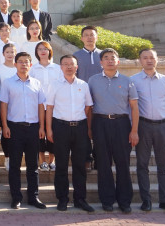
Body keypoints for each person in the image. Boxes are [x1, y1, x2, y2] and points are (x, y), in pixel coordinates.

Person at [132, 49, 165, 215]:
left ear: (157, 60)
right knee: (142, 165)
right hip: (143, 126)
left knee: (164, 166)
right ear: (140, 61)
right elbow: (130, 108)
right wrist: (133, 129)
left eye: (152, 57)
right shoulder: (133, 81)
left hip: (163, 127)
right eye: (145, 58)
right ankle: (146, 200)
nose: (149, 60)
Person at [88, 48, 138, 213]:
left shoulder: (127, 81)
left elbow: (134, 107)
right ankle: (107, 200)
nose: (110, 60)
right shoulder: (93, 81)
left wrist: (134, 130)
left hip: (121, 124)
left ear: (118, 61)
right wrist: (89, 128)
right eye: (106, 58)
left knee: (123, 163)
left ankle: (124, 201)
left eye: (113, 58)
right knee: (103, 163)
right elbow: (88, 107)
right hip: (100, 123)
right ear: (101, 62)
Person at [45, 55, 95, 212]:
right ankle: (62, 199)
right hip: (60, 127)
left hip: (80, 128)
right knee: (61, 165)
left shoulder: (83, 85)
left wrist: (86, 127)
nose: (68, 67)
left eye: (71, 64)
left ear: (76, 67)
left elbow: (88, 107)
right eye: (65, 64)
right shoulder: (54, 85)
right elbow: (49, 108)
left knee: (80, 165)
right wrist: (48, 129)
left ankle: (80, 199)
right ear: (60, 67)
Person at [0, 52, 47, 210]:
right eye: (20, 61)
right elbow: (3, 105)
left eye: (26, 62)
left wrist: (41, 127)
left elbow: (41, 106)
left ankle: (34, 197)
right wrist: (5, 126)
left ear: (31, 65)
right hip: (14, 128)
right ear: (15, 64)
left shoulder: (37, 83)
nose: (23, 64)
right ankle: (16, 198)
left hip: (33, 128)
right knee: (14, 165)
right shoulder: (8, 83)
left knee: (33, 166)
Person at [73, 25, 102, 172]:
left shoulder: (104, 55)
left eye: (92, 35)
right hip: (82, 99)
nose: (89, 37)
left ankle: (99, 159)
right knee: (84, 130)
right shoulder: (76, 56)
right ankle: (86, 159)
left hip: (101, 99)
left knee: (99, 130)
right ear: (81, 38)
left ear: (97, 37)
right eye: (86, 35)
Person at [29, 41, 61, 172]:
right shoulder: (33, 69)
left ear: (50, 51)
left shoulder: (57, 68)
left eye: (45, 49)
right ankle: (42, 161)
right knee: (40, 134)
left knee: (53, 133)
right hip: (39, 105)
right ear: (36, 52)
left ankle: (52, 160)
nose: (42, 51)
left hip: (55, 106)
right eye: (40, 49)